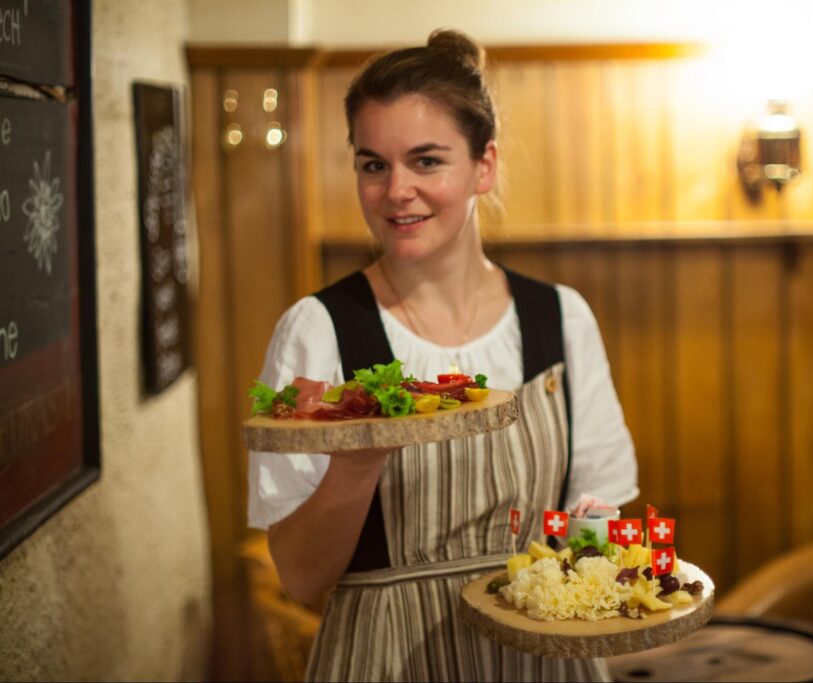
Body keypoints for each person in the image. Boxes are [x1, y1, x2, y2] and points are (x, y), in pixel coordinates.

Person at [247, 28, 638, 682]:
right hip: (383, 658)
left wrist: (597, 560)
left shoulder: (559, 317)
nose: (396, 189)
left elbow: (592, 515)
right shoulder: (319, 330)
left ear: (484, 164)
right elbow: (301, 577)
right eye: (373, 164)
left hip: (540, 660)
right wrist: (356, 463)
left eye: (426, 161)